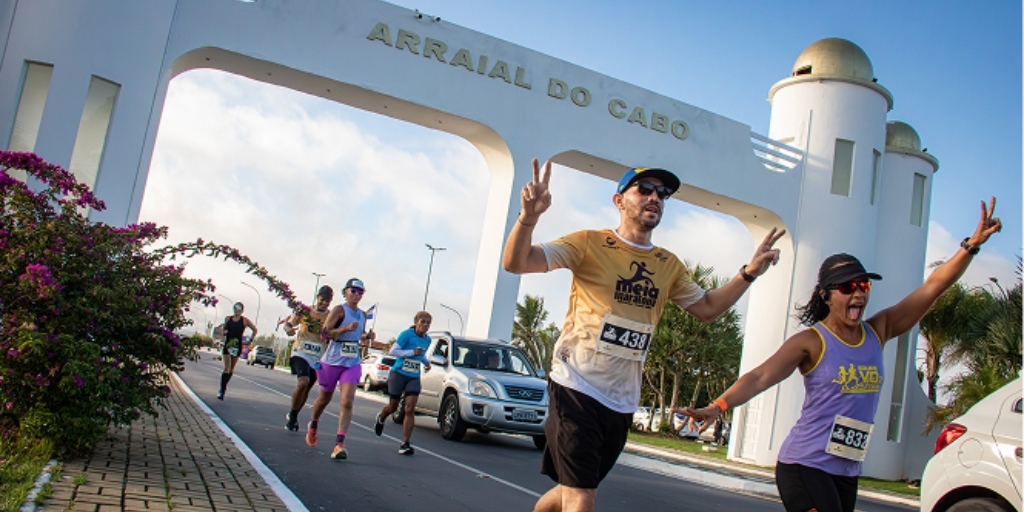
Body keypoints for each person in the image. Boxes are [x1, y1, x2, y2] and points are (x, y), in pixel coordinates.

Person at [680, 199, 1002, 512]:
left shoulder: (879, 331)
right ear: (826, 296)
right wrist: (717, 406)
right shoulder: (812, 342)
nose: (858, 292)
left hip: (846, 472)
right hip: (804, 465)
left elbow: (932, 287)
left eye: (862, 285)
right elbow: (760, 376)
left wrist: (971, 246)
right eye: (847, 287)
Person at [502, 160, 786, 512]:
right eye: (645, 190)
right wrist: (528, 219)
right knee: (582, 498)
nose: (656, 198)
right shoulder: (589, 243)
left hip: (622, 400)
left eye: (663, 194)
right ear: (619, 200)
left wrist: (749, 273)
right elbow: (517, 262)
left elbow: (709, 309)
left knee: (570, 492)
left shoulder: (668, 265)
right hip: (575, 385)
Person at [306, 278, 375, 460]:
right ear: (345, 291)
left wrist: (367, 337)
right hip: (333, 361)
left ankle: (339, 444)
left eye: (361, 292)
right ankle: (313, 424)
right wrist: (344, 329)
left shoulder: (362, 314)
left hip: (351, 362)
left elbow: (359, 337)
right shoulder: (339, 310)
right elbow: (325, 333)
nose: (357, 294)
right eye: (353, 290)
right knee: (324, 399)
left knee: (347, 401)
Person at [373, 311, 433, 455]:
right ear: (416, 322)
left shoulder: (427, 340)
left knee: (409, 408)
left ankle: (405, 443)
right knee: (393, 406)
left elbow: (422, 353)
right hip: (398, 373)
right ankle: (381, 418)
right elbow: (394, 351)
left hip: (413, 376)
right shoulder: (406, 334)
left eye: (428, 323)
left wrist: (426, 362)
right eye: (422, 322)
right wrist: (411, 352)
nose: (425, 325)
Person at [282, 285, 333, 432]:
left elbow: (336, 333)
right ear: (317, 297)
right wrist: (289, 330)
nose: (324, 303)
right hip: (301, 352)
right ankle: (292, 414)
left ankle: (294, 415)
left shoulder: (331, 317)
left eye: (328, 301)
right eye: (322, 300)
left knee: (307, 388)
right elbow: (288, 323)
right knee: (303, 382)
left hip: (318, 358)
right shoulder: (305, 311)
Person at [217, 302, 257, 400]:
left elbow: (255, 330)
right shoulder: (228, 319)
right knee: (226, 367)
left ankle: (224, 386)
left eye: (239, 309)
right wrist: (223, 333)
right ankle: (222, 390)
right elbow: (224, 329)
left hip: (237, 345)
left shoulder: (245, 321)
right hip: (228, 344)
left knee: (231, 369)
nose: (237, 311)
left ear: (242, 311)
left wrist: (250, 341)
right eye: (235, 308)